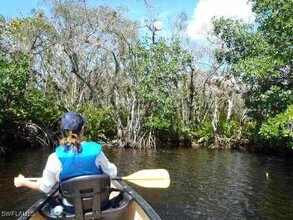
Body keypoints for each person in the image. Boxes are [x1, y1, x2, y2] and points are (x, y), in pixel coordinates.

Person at [14, 112, 117, 211]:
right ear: (83, 130)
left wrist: (23, 182)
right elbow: (112, 173)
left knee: (52, 197)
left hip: (71, 208)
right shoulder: (97, 153)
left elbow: (45, 187)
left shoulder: (54, 158)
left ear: (62, 133)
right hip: (101, 204)